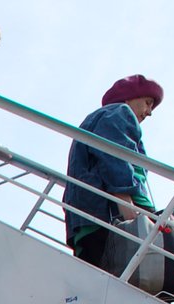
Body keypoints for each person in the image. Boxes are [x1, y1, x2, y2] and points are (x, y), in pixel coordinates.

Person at [62, 75, 165, 268]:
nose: (149, 112)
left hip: (87, 220)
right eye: (148, 103)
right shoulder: (119, 112)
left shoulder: (101, 118)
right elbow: (114, 158)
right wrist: (128, 208)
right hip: (107, 218)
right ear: (129, 97)